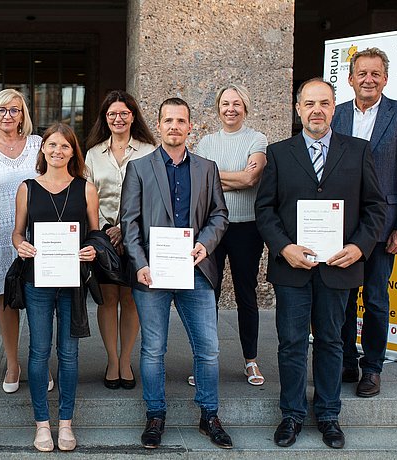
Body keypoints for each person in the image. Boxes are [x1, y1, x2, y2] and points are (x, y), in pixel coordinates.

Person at [255, 78, 384, 449]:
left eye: (324, 103)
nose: (316, 110)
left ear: (333, 107)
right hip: (292, 268)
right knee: (292, 342)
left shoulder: (358, 150)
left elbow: (375, 207)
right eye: (309, 103)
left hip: (339, 266)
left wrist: (360, 247)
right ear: (298, 109)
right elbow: (265, 209)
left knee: (331, 341)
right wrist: (283, 247)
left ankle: (328, 414)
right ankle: (292, 415)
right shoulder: (279, 152)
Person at [120, 98, 231, 449]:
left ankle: (209, 414)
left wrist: (206, 244)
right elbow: (129, 222)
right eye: (167, 120)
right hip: (152, 273)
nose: (174, 126)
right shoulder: (138, 168)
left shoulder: (207, 168)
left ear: (190, 127)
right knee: (153, 349)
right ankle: (155, 415)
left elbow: (219, 215)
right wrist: (140, 264)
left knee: (209, 349)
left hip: (196, 270)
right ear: (159, 124)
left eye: (180, 120)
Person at [332, 47, 397, 398]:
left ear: (385, 79)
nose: (368, 79)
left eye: (375, 74)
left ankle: (372, 367)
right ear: (351, 79)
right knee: (342, 297)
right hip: (341, 226)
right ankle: (344, 361)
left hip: (384, 227)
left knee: (375, 298)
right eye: (361, 73)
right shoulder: (336, 115)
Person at [12, 123, 99, 452]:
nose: (58, 151)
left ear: (73, 152)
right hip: (38, 278)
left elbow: (95, 233)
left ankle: (65, 423)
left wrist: (92, 248)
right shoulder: (27, 188)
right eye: (52, 145)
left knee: (69, 353)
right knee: (38, 352)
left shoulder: (85, 188)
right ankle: (42, 425)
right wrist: (20, 246)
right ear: (43, 149)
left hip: (72, 281)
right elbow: (18, 233)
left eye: (65, 146)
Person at [0, 89, 54, 394]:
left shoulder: (38, 145)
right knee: (6, 301)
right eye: (1, 110)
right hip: (0, 236)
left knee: (39, 301)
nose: (8, 115)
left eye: (15, 110)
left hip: (37, 235)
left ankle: (40, 361)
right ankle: (12, 364)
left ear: (23, 115)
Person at [195, 84, 268, 386]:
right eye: (225, 103)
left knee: (246, 295)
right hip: (212, 226)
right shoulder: (206, 142)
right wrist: (232, 179)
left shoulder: (257, 139)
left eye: (237, 104)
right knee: (205, 296)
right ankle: (205, 361)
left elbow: (252, 178)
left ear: (245, 107)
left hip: (246, 227)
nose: (231, 109)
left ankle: (250, 360)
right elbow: (198, 181)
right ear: (218, 107)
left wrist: (214, 177)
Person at [84, 90, 156, 390]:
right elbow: (89, 198)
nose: (118, 118)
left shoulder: (149, 149)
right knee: (107, 299)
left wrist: (126, 231)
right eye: (112, 113)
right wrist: (104, 230)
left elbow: (153, 196)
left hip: (137, 236)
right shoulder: (93, 153)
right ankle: (112, 360)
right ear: (105, 118)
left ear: (133, 116)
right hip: (103, 239)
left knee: (131, 300)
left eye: (124, 113)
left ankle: (126, 359)